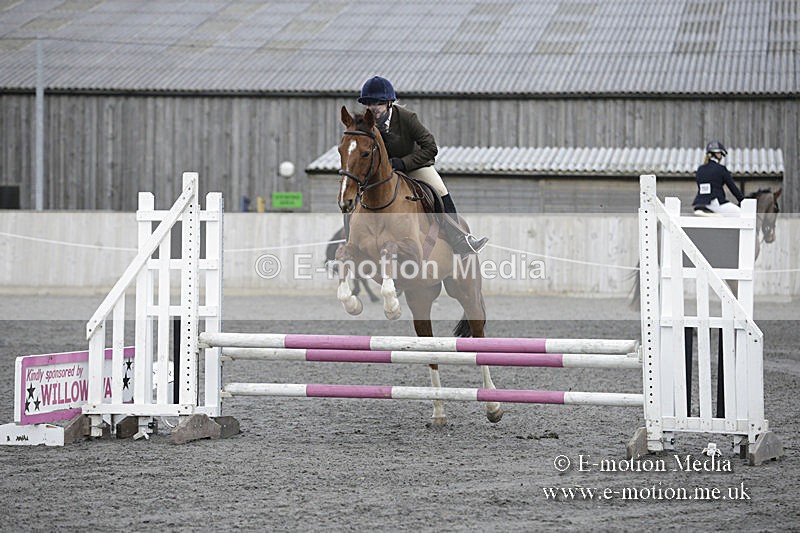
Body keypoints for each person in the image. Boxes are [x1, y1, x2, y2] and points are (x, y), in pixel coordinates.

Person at [357, 75, 488, 254]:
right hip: (383, 173)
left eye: (379, 103)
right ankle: (351, 243)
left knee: (439, 189)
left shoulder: (407, 118)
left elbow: (431, 147)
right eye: (370, 104)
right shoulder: (364, 124)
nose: (374, 108)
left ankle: (459, 238)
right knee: (354, 193)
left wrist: (403, 163)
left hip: (413, 167)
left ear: (389, 103)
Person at [692, 141, 744, 217]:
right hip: (715, 203)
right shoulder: (721, 169)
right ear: (718, 154)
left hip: (699, 204)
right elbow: (733, 188)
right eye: (721, 154)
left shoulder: (700, 169)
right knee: (742, 214)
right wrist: (743, 201)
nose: (721, 157)